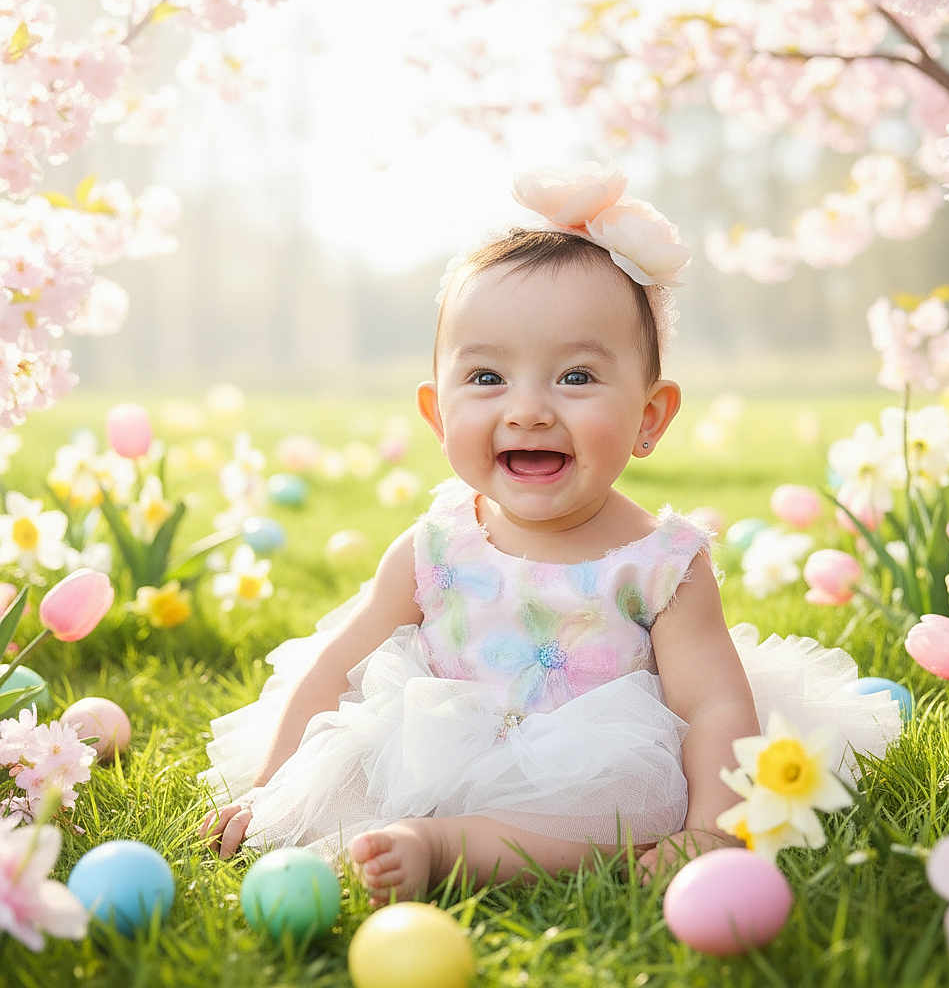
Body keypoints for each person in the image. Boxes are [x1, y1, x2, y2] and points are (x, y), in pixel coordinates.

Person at [198, 163, 901, 907]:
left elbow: (715, 707)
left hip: (592, 766)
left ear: (650, 417)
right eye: (487, 379)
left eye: (574, 378)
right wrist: (272, 788)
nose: (528, 410)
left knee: (626, 809)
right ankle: (418, 824)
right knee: (349, 762)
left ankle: (443, 847)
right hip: (437, 745)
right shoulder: (433, 548)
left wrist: (711, 830)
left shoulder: (661, 565)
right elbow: (336, 667)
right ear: (437, 416)